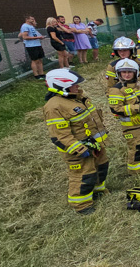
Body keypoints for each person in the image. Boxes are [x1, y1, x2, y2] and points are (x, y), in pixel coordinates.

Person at [44, 68, 109, 215]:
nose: (78, 87)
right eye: (75, 84)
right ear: (61, 86)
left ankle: (98, 191)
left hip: (94, 145)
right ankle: (81, 205)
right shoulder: (54, 106)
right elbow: (60, 135)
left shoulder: (77, 97)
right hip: (79, 150)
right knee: (83, 175)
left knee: (101, 166)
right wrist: (80, 149)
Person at [108, 58, 140, 175]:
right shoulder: (116, 90)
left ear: (136, 73)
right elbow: (116, 109)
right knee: (137, 148)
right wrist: (137, 109)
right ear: (119, 74)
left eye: (129, 72)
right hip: (132, 126)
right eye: (124, 72)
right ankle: (137, 173)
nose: (127, 75)